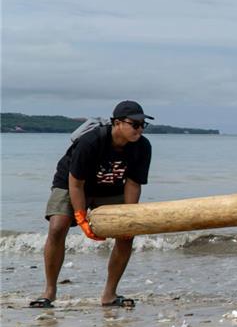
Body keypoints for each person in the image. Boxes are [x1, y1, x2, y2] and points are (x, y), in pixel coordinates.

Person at [30, 100, 154, 308]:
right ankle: (49, 292)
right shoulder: (91, 142)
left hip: (110, 188)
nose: (139, 129)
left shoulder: (142, 147)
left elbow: (133, 184)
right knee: (58, 226)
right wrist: (81, 217)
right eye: (134, 124)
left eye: (143, 125)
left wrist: (128, 218)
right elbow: (76, 184)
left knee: (126, 235)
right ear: (117, 123)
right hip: (71, 183)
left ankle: (109, 295)